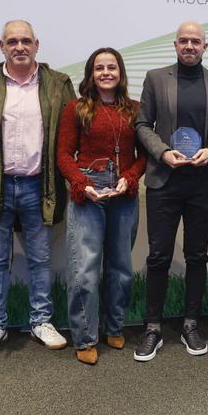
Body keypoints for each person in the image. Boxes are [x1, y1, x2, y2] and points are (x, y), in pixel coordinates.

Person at [0, 20, 76, 358]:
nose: (20, 47)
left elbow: (72, 131)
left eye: (26, 40)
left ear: (37, 44)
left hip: (39, 184)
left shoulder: (58, 84)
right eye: (12, 41)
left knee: (40, 258)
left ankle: (41, 321)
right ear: (1, 46)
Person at [133, 21, 208, 361]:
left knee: (196, 256)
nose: (190, 46)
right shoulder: (156, 78)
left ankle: (191, 324)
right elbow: (142, 124)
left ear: (205, 46)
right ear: (175, 45)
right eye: (184, 41)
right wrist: (162, 153)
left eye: (196, 41)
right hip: (164, 180)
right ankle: (153, 328)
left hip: (203, 183)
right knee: (158, 256)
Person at [57, 48, 146, 365]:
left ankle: (114, 326)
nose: (106, 72)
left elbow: (143, 154)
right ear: (90, 74)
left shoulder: (135, 109)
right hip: (89, 189)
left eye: (112, 67)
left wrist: (131, 177)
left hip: (124, 190)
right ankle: (84, 337)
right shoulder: (76, 109)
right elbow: (64, 155)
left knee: (121, 266)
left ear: (120, 72)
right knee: (85, 267)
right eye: (99, 68)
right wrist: (82, 185)